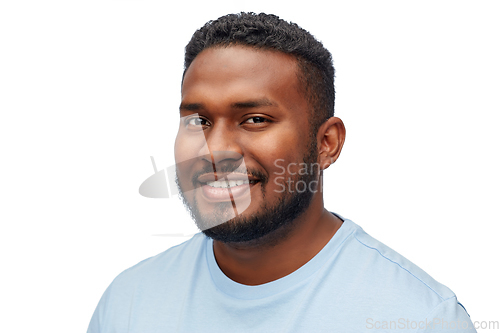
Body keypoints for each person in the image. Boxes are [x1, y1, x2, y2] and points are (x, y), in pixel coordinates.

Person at [88, 12, 476, 332]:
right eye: (198, 121)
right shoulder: (128, 304)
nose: (214, 150)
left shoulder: (423, 319)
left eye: (255, 119)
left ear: (327, 143)